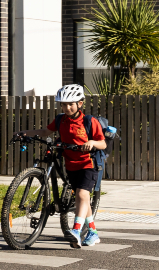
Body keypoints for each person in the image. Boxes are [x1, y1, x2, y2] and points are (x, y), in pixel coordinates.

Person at [15, 84, 106, 248]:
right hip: (70, 164)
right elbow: (45, 132)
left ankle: (76, 231)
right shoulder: (60, 119)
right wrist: (25, 133)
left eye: (71, 104)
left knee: (82, 194)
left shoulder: (89, 121)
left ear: (80, 103)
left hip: (88, 163)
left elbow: (103, 144)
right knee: (82, 198)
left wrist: (91, 142)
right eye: (64, 104)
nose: (67, 107)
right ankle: (92, 233)